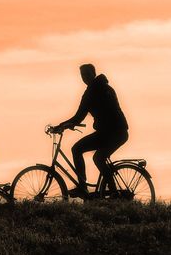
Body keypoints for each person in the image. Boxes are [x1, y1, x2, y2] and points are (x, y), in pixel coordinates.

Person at [53, 63, 129, 198]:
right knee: (94, 155)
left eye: (86, 74)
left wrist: (61, 126)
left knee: (86, 153)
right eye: (82, 75)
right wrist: (66, 124)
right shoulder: (106, 88)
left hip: (112, 132)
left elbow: (79, 117)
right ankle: (105, 190)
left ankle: (104, 191)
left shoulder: (92, 91)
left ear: (93, 74)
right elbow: (80, 116)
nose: (84, 78)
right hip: (115, 132)